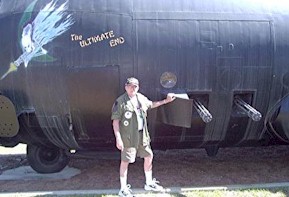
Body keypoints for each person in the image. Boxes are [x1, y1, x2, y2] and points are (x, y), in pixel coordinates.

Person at [111, 77, 176, 197]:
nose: (132, 88)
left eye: (135, 86)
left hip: (142, 135)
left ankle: (149, 183)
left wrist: (166, 101)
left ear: (138, 87)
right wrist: (118, 138)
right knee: (126, 161)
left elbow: (151, 104)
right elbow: (115, 121)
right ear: (125, 87)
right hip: (128, 137)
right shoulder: (120, 102)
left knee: (149, 155)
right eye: (130, 86)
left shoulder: (141, 98)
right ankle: (123, 189)